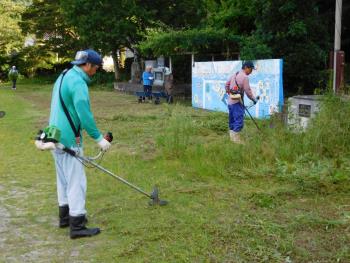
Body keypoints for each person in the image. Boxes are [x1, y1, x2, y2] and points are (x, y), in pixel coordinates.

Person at [49, 49, 111, 239]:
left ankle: (65, 217)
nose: (96, 71)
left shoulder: (64, 75)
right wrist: (99, 139)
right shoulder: (78, 82)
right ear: (87, 65)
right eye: (96, 67)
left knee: (63, 178)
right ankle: (77, 225)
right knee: (76, 181)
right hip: (69, 138)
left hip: (54, 134)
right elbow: (84, 115)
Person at [225, 61, 259, 143]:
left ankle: (232, 139)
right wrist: (254, 99)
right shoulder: (244, 77)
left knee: (232, 121)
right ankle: (236, 141)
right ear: (246, 67)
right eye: (251, 70)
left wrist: (230, 93)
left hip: (230, 102)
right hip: (237, 103)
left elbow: (226, 85)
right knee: (239, 121)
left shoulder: (235, 74)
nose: (251, 72)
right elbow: (248, 91)